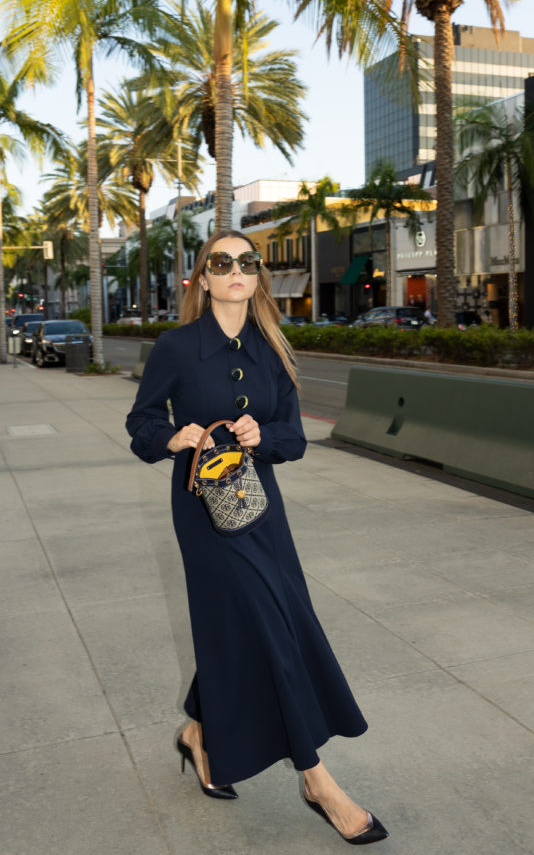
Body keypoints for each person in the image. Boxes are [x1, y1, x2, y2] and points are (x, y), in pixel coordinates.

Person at [126, 230, 388, 845]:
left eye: (248, 261)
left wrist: (258, 437)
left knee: (257, 622)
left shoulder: (273, 349)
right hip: (203, 512)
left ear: (258, 275)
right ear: (203, 277)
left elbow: (293, 439)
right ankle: (318, 781)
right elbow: (141, 419)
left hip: (261, 510)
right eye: (223, 262)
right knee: (266, 627)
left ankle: (198, 732)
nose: (236, 270)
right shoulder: (177, 346)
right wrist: (175, 437)